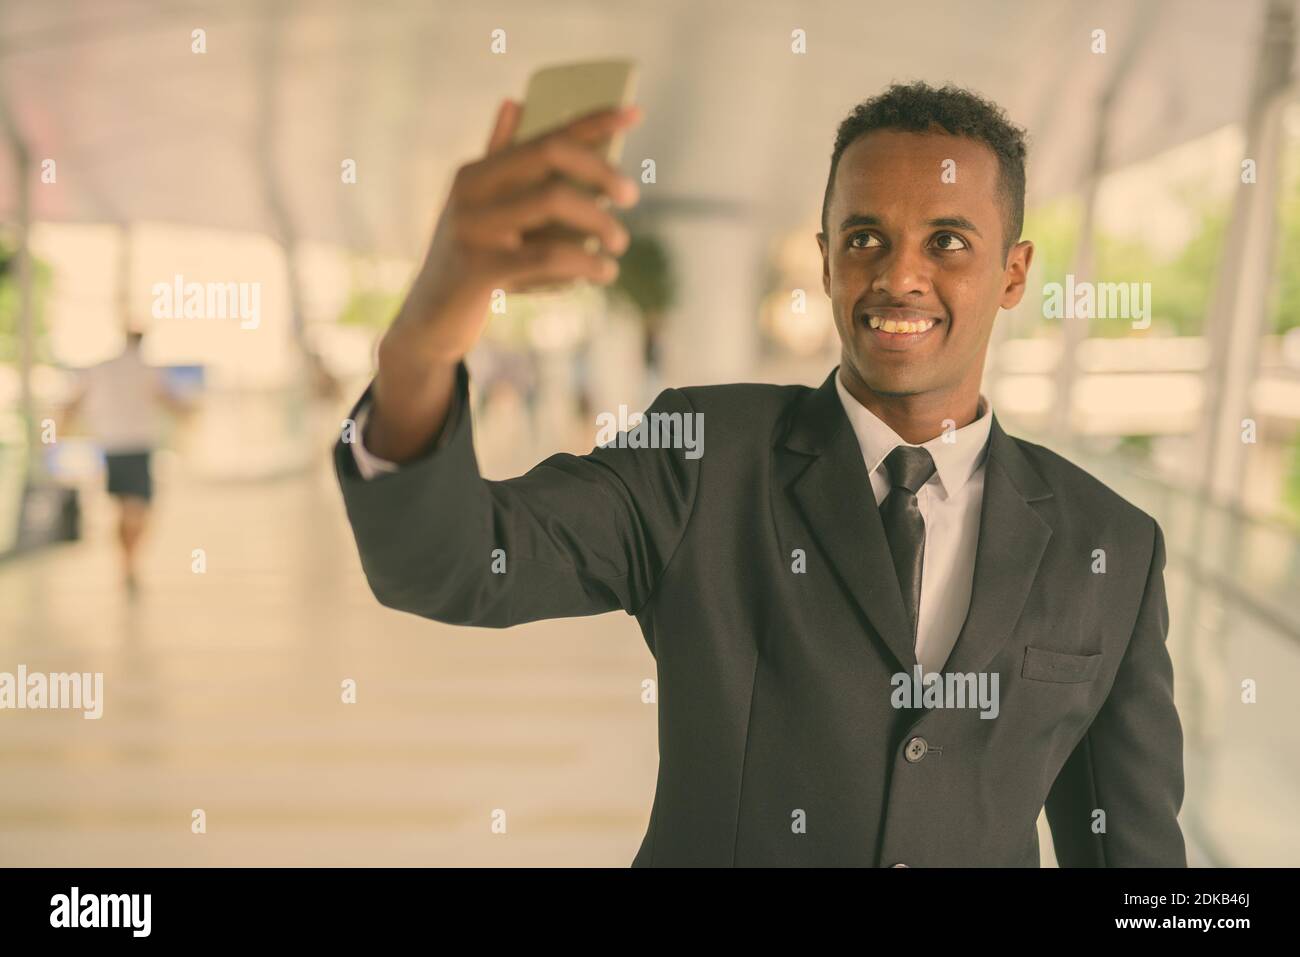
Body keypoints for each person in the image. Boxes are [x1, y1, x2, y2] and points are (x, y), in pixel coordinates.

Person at [333, 82, 1186, 867]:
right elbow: (454, 564)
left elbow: (1135, 858)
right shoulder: (700, 454)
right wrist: (429, 327)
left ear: (1013, 271)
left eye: (948, 241)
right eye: (865, 239)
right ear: (824, 260)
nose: (899, 276)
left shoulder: (1109, 546)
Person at [64, 330, 190, 593]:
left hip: (111, 445)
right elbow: (172, 402)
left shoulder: (101, 368)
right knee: (138, 509)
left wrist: (55, 433)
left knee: (124, 508)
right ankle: (130, 562)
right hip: (138, 445)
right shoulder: (146, 369)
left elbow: (73, 402)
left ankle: (126, 562)